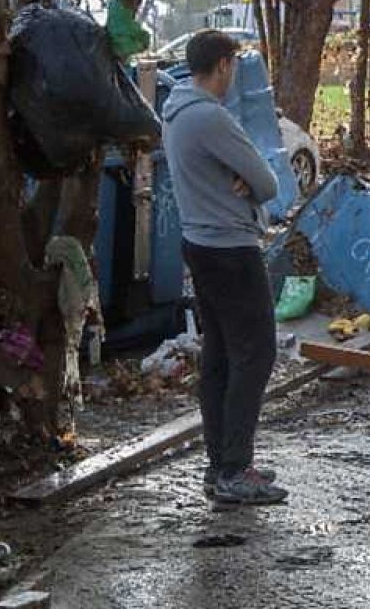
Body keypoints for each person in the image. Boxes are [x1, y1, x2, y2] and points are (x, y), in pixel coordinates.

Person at [161, 30, 288, 506]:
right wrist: (247, 181)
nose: (234, 74)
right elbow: (269, 182)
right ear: (221, 65)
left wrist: (241, 179)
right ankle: (235, 468)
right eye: (233, 64)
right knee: (255, 354)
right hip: (232, 249)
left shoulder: (174, 112)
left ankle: (220, 463)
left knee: (219, 356)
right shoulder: (210, 118)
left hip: (198, 244)